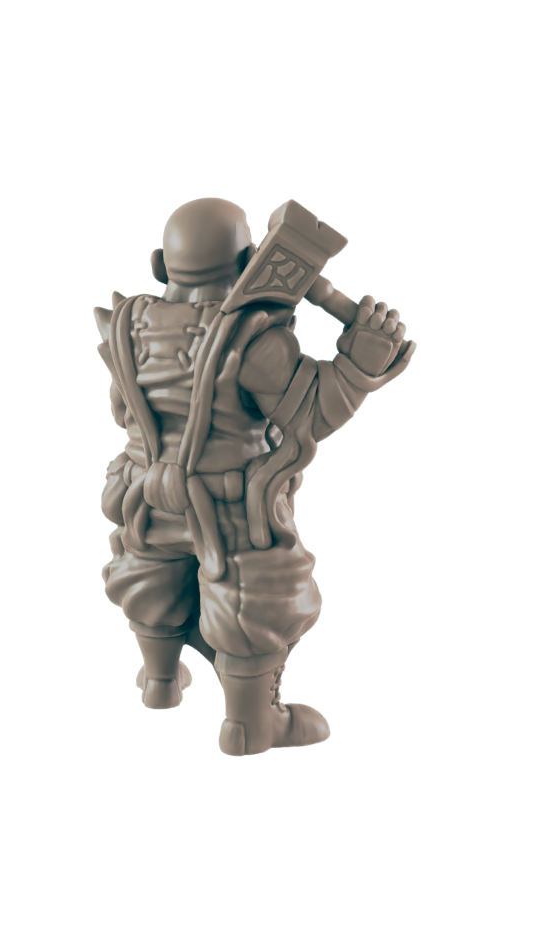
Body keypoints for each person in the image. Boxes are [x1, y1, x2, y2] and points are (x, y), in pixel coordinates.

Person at [94, 197, 416, 756]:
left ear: (161, 265)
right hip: (228, 503)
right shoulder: (251, 338)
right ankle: (251, 725)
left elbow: (124, 411)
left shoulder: (128, 326)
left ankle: (160, 681)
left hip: (141, 493)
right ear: (248, 263)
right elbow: (310, 414)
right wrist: (360, 360)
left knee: (149, 572)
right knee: (253, 597)